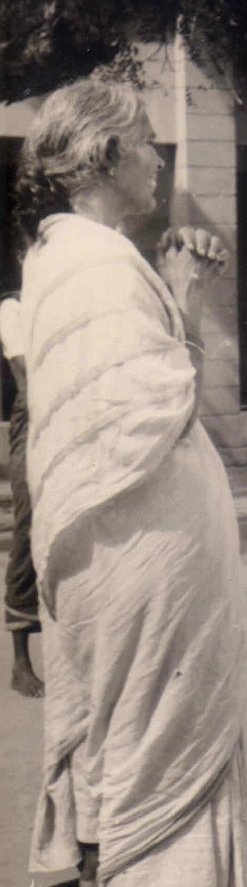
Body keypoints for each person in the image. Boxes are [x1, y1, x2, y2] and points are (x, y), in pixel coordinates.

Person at [20, 78, 247, 887]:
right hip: (138, 537)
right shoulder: (92, 264)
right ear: (101, 158)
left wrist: (177, 295)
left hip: (126, 533)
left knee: (145, 729)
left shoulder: (75, 256)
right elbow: (148, 407)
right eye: (145, 141)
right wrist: (179, 301)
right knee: (157, 732)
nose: (160, 157)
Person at [0, 290, 43, 697]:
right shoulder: (13, 307)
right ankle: (21, 663)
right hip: (37, 413)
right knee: (30, 527)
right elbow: (27, 374)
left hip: (74, 409)